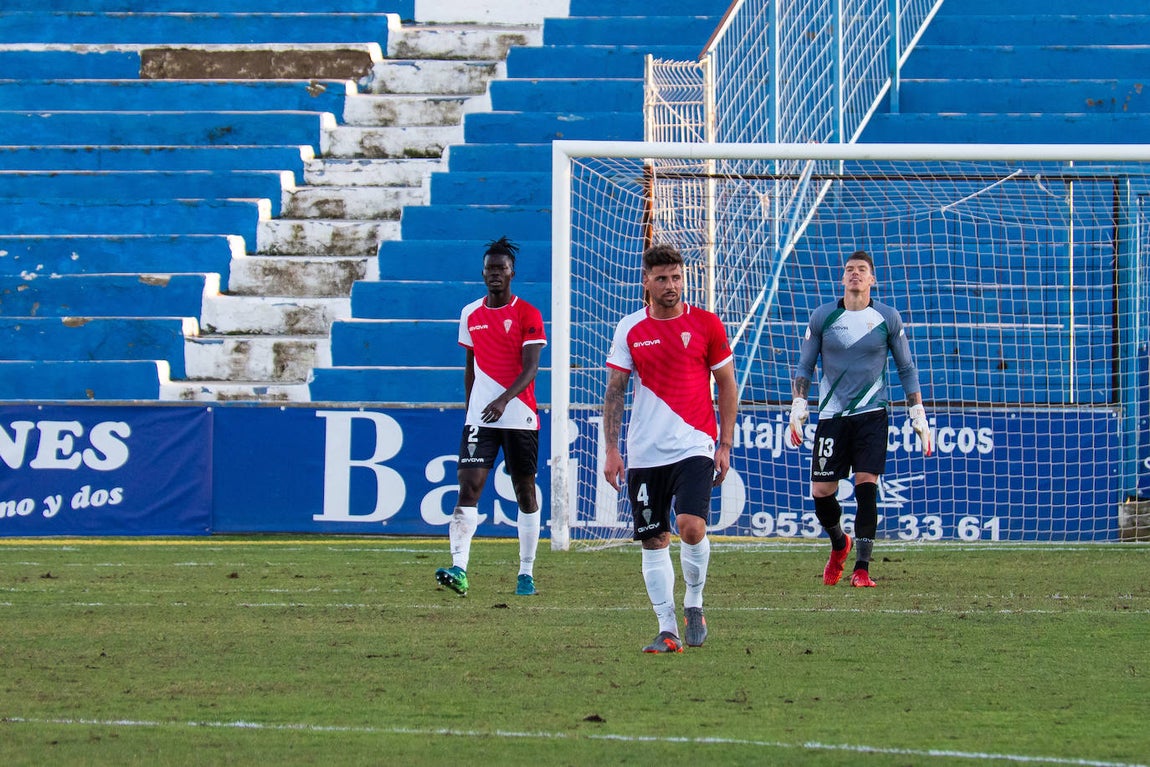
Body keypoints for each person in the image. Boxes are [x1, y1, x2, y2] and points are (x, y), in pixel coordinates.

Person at [602, 243, 738, 653]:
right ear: (646, 282)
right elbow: (615, 392)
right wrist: (611, 449)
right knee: (653, 539)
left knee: (691, 527)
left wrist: (725, 443)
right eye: (661, 278)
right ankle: (667, 628)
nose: (671, 285)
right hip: (645, 453)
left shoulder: (707, 324)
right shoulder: (630, 329)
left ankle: (694, 602)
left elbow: (728, 385)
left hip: (695, 444)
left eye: (676, 277)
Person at [787, 249, 933, 588]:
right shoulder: (823, 317)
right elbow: (805, 366)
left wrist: (917, 412)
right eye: (849, 269)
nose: (855, 274)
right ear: (842, 278)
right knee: (822, 491)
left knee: (866, 484)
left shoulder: (887, 318)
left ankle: (862, 568)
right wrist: (798, 404)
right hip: (832, 416)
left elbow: (906, 367)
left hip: (872, 415)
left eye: (862, 269)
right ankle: (840, 544)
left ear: (872, 279)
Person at [435, 236, 547, 598]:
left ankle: (526, 572)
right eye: (489, 269)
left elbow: (531, 369)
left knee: (524, 491)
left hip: (520, 415)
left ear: (512, 272)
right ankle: (459, 568)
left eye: (501, 268)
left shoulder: (527, 313)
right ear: (482, 274)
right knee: (468, 486)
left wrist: (502, 400)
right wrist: (472, 409)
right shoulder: (470, 314)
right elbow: (470, 366)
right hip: (481, 418)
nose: (495, 274)